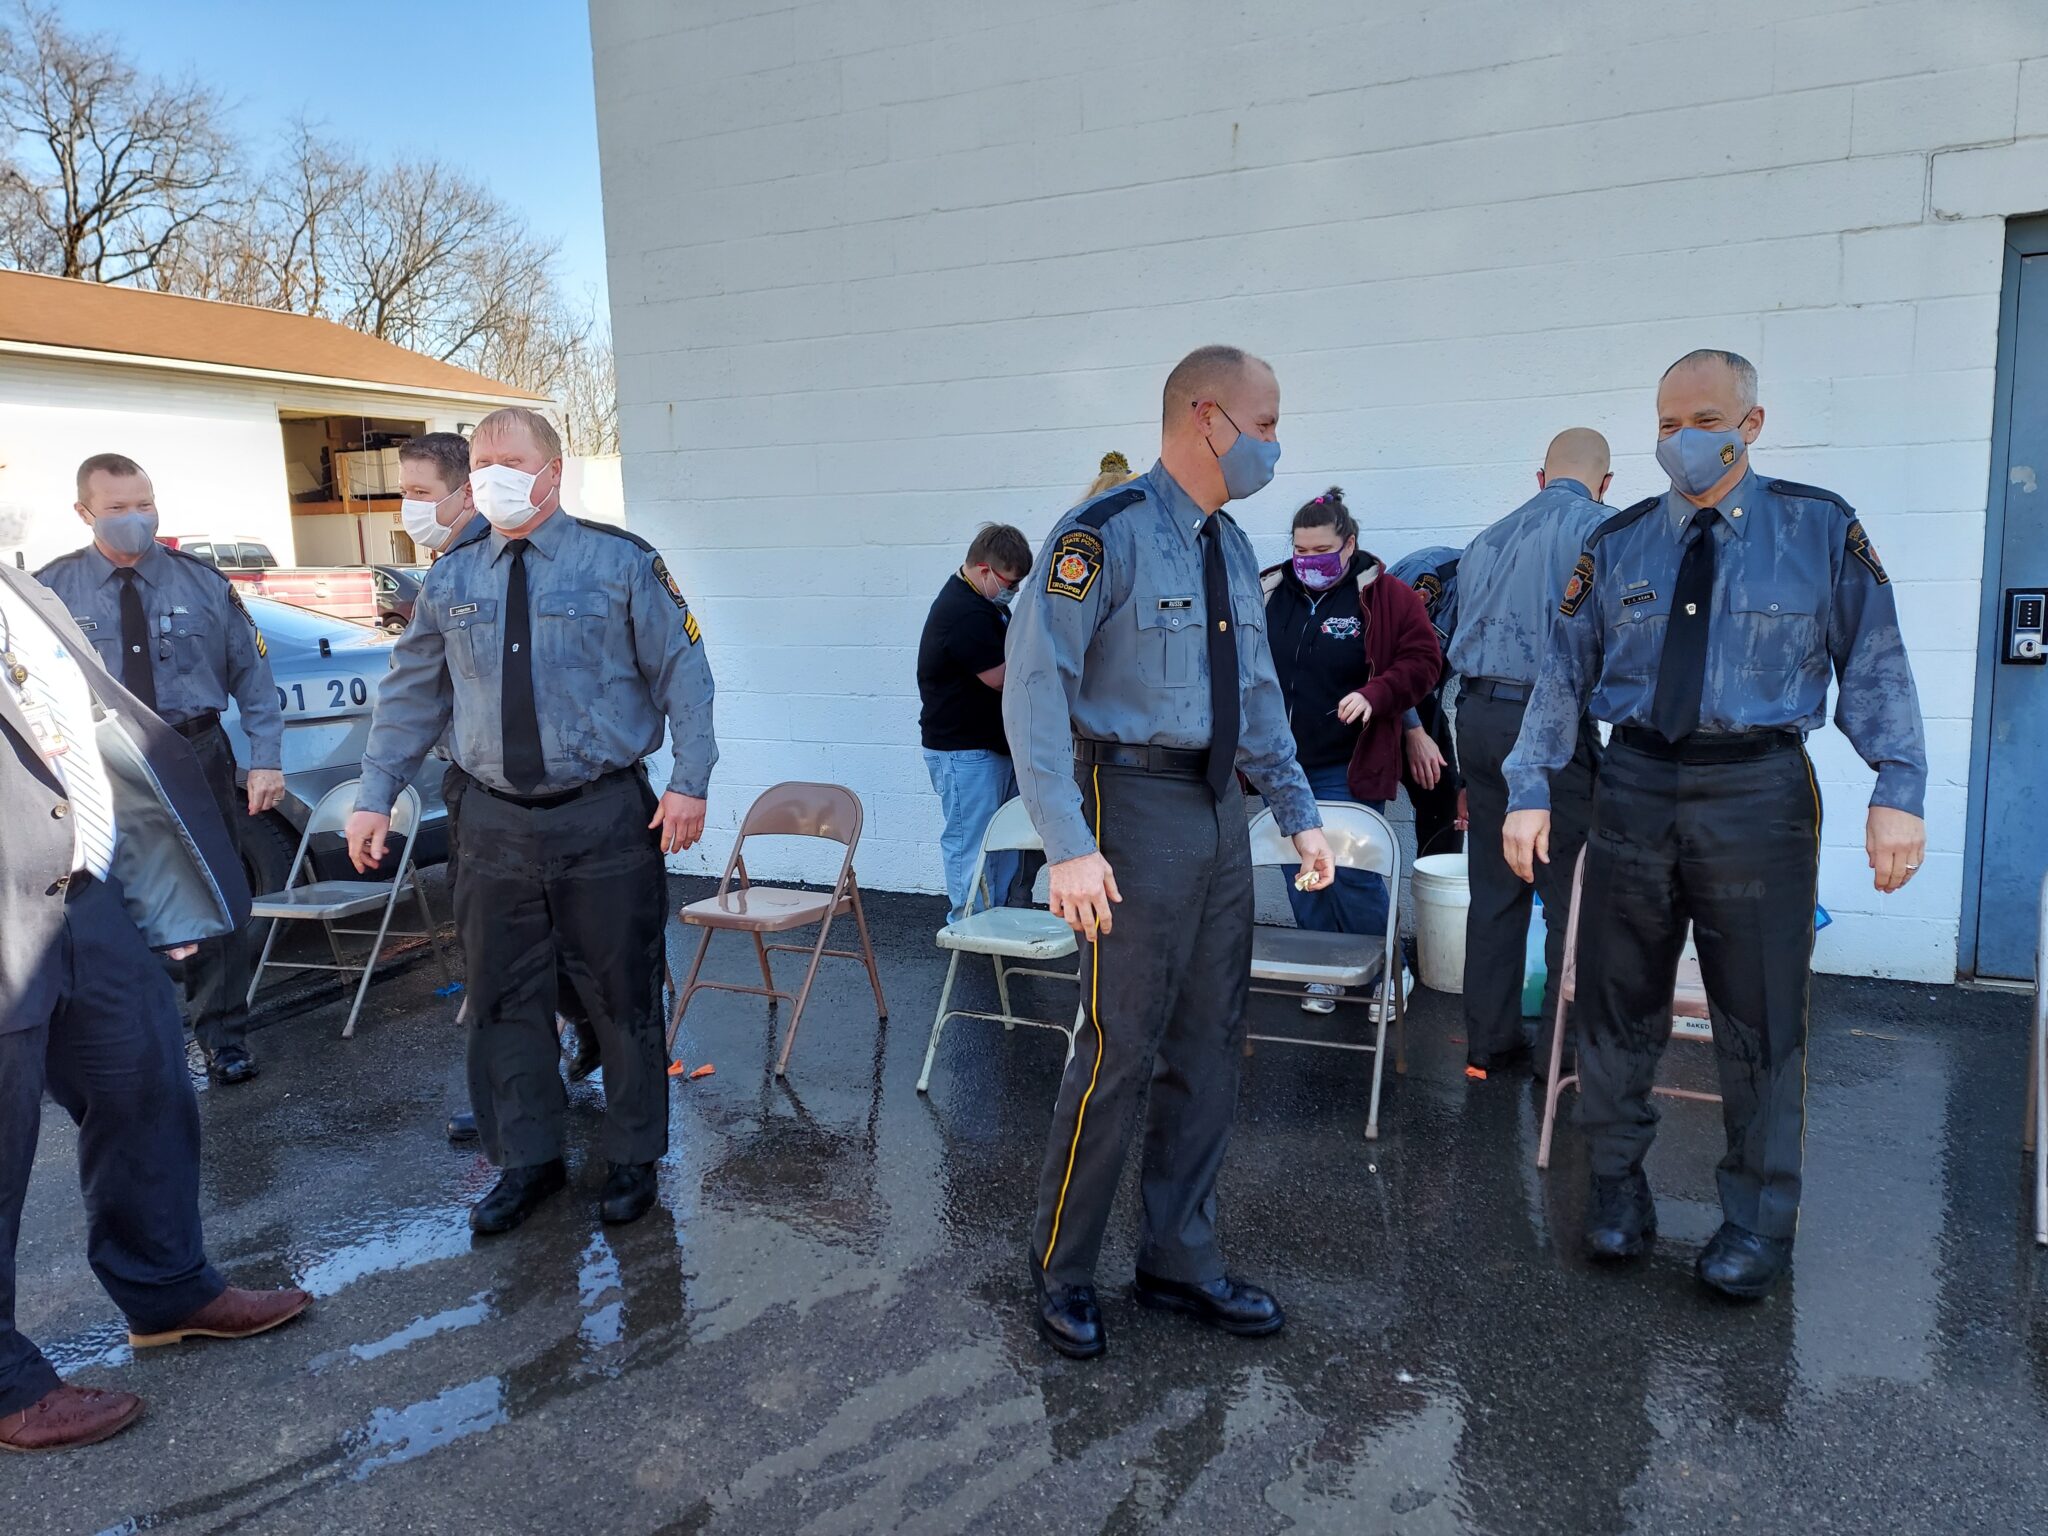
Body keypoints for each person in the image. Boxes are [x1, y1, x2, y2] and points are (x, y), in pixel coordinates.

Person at [1503, 351, 1928, 1299]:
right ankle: (1615, 1191)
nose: (1679, 441)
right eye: (1663, 423)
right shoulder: (1615, 546)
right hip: (1637, 784)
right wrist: (1528, 781)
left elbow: (1877, 661)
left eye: (1700, 418)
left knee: (1760, 1015)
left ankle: (1756, 1222)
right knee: (1618, 1004)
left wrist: (1898, 785)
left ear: (1752, 421)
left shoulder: (1818, 529)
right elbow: (1563, 676)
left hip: (1759, 794)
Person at [1004, 344, 1336, 1360]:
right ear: (1207, 417)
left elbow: (1261, 696)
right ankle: (1062, 1267)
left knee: (1208, 1043)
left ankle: (1178, 1257)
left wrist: (1295, 808)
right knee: (1116, 1050)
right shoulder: (1097, 538)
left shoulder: (1232, 547)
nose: (1275, 443)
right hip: (1125, 805)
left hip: (1214, 811)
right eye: (1266, 423)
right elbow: (1035, 690)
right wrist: (1064, 844)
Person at [346, 407, 717, 1235]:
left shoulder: (621, 562)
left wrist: (690, 781)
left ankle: (630, 1159)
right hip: (492, 824)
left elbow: (684, 674)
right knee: (501, 999)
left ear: (554, 472)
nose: (491, 477)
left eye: (509, 461)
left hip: (603, 816)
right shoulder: (451, 576)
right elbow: (412, 694)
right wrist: (376, 793)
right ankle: (528, 1161)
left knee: (619, 994)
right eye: (480, 464)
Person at [0, 561, 308, 1453]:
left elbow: (85, 734)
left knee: (145, 1092)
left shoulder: (24, 591)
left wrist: (149, 877)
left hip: (87, 891)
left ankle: (167, 1290)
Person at [36, 454, 284, 1086]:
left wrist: (265, 760)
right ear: (84, 512)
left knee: (216, 897)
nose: (135, 518)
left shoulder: (201, 583)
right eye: (117, 509)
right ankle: (128, 1038)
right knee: (106, 907)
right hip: (100, 766)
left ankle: (223, 1037)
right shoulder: (50, 591)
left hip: (194, 755)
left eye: (144, 504)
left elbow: (253, 679)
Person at [397, 432, 599, 1145]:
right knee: (507, 953)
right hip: (478, 787)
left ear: (462, 494)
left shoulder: (507, 557)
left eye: (422, 493)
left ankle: (547, 1069)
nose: (410, 507)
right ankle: (525, 1087)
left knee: (537, 949)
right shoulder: (450, 569)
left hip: (540, 794)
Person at [1453, 429, 1614, 1079]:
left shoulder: (1483, 540)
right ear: (1606, 483)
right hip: (1546, 728)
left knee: (1495, 888)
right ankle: (1560, 1058)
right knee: (1571, 896)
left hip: (1475, 717)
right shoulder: (1606, 532)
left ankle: (1488, 1050)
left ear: (1540, 477)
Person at [1261, 488, 1441, 1015]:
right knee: (1302, 873)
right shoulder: (1270, 590)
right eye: (1300, 550)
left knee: (1355, 874)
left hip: (1349, 762)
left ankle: (1389, 970)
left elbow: (1423, 662)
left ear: (1350, 544)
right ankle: (1325, 967)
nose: (1308, 563)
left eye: (1320, 552)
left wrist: (1375, 694)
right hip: (1284, 766)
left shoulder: (1386, 596)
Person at [917, 523, 1034, 923]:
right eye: (1009, 583)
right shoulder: (964, 611)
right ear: (984, 570)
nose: (1012, 592)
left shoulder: (986, 604)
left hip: (987, 747)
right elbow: (1001, 678)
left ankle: (993, 922)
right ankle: (968, 925)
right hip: (964, 752)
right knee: (972, 844)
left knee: (1000, 844)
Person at [1384, 545, 1467, 866]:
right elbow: (1383, 656)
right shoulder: (1429, 575)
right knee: (1362, 797)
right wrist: (1414, 732)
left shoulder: (1498, 588)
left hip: (1422, 694)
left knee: (1445, 799)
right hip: (1373, 690)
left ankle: (1435, 902)